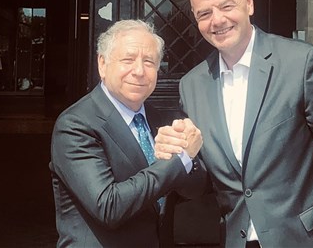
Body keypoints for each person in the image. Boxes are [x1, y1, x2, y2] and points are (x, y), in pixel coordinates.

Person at [155, 0, 313, 248]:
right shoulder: (192, 86)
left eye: (226, 6)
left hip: (306, 240)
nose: (217, 20)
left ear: (249, 3)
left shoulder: (302, 63)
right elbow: (200, 186)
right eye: (204, 13)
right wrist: (180, 158)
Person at [50, 19, 207, 247]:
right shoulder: (75, 125)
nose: (139, 71)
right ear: (102, 64)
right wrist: (180, 159)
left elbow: (194, 190)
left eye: (149, 61)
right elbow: (109, 206)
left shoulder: (158, 119)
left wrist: (190, 158)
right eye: (128, 60)